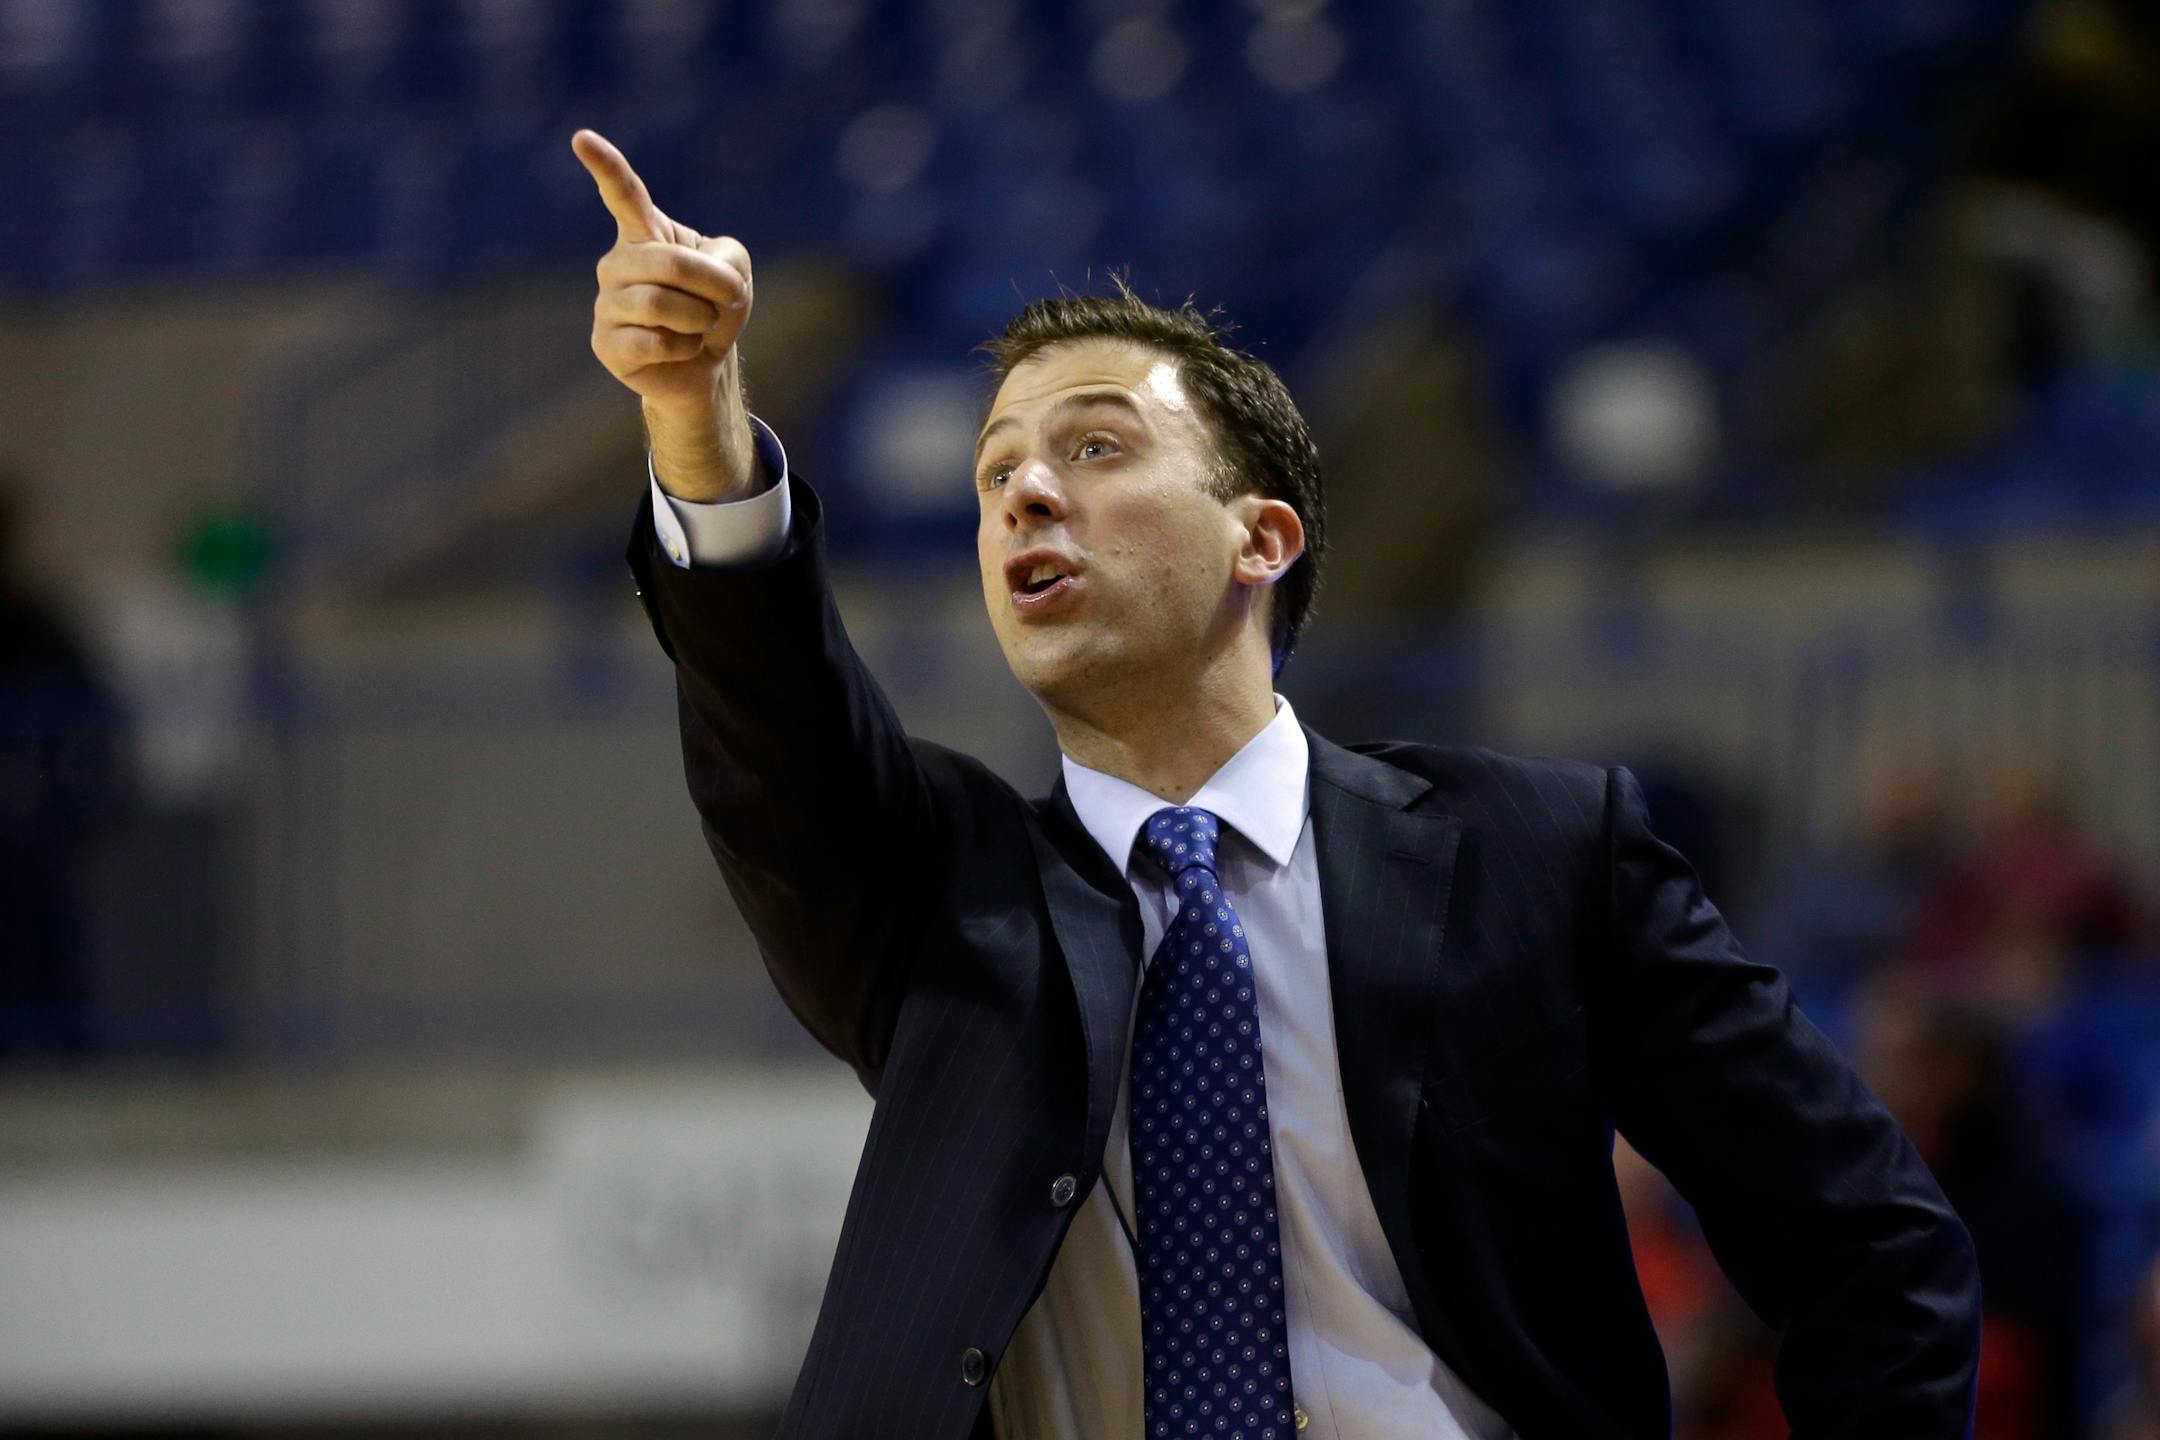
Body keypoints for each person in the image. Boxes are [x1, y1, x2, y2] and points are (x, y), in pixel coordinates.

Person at [572, 129, 1983, 1440]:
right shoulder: (941, 891)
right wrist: (697, 418)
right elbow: (776, 717)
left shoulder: (1542, 856)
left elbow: (1875, 1243)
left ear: (1262, 539)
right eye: (994, 473)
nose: (1025, 494)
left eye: (1096, 445)